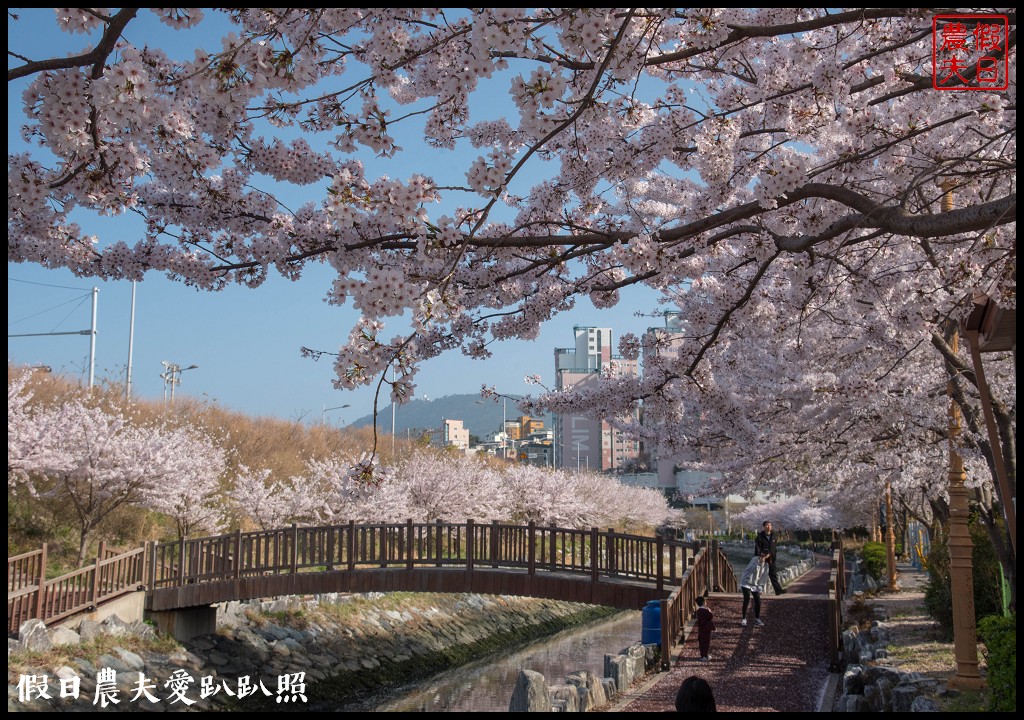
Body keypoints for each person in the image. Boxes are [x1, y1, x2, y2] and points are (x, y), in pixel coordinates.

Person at [738, 552, 770, 626]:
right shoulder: (755, 559)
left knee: (758, 601)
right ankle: (744, 619)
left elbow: (764, 577)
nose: (763, 557)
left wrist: (760, 587)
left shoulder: (766, 565)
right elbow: (752, 568)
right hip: (746, 581)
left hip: (755, 584)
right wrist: (759, 562)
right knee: (747, 599)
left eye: (765, 557)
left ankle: (757, 619)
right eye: (762, 556)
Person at [754, 520, 786, 595]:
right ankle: (757, 591)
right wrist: (762, 556)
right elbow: (757, 549)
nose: (769, 527)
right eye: (767, 525)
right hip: (762, 559)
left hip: (771, 559)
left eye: (770, 525)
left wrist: (772, 555)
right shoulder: (759, 537)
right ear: (764, 527)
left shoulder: (774, 536)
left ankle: (778, 590)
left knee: (773, 575)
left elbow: (774, 548)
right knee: (760, 575)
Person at [694, 595, 716, 661]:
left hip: (701, 628)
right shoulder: (706, 611)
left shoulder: (698, 611)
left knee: (701, 642)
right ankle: (705, 656)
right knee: (706, 642)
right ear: (704, 602)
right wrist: (709, 610)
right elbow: (711, 616)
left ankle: (702, 655)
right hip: (706, 628)